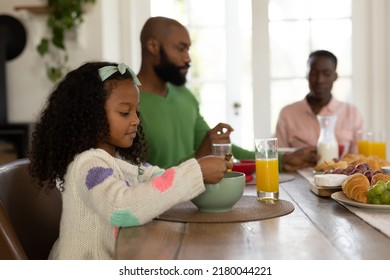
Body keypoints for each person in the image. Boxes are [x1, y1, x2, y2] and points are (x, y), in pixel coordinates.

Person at [28, 61, 232, 260]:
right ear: (91, 116)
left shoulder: (123, 160)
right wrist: (197, 172)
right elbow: (121, 209)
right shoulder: (89, 165)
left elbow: (159, 179)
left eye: (136, 111)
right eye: (125, 112)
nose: (136, 120)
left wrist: (199, 173)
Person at [137, 16, 316, 172]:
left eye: (188, 49)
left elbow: (219, 148)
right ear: (152, 46)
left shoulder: (184, 95)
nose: (188, 58)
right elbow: (139, 182)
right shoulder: (129, 104)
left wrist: (281, 161)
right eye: (181, 48)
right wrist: (199, 159)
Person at [275, 50, 364, 157]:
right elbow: (278, 158)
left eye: (326, 74)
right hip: (296, 173)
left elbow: (360, 161)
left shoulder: (352, 113)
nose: (319, 80)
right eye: (313, 73)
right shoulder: (287, 113)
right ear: (307, 76)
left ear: (335, 76)